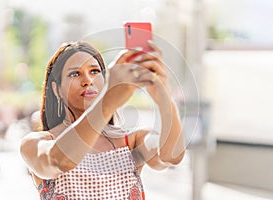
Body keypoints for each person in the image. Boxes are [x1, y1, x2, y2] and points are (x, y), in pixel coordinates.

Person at [20, 41, 185, 200]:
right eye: (75, 73)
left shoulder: (131, 141)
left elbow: (170, 157)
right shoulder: (36, 143)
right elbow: (59, 160)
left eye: (94, 71)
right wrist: (107, 103)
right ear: (57, 90)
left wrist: (165, 98)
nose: (88, 81)